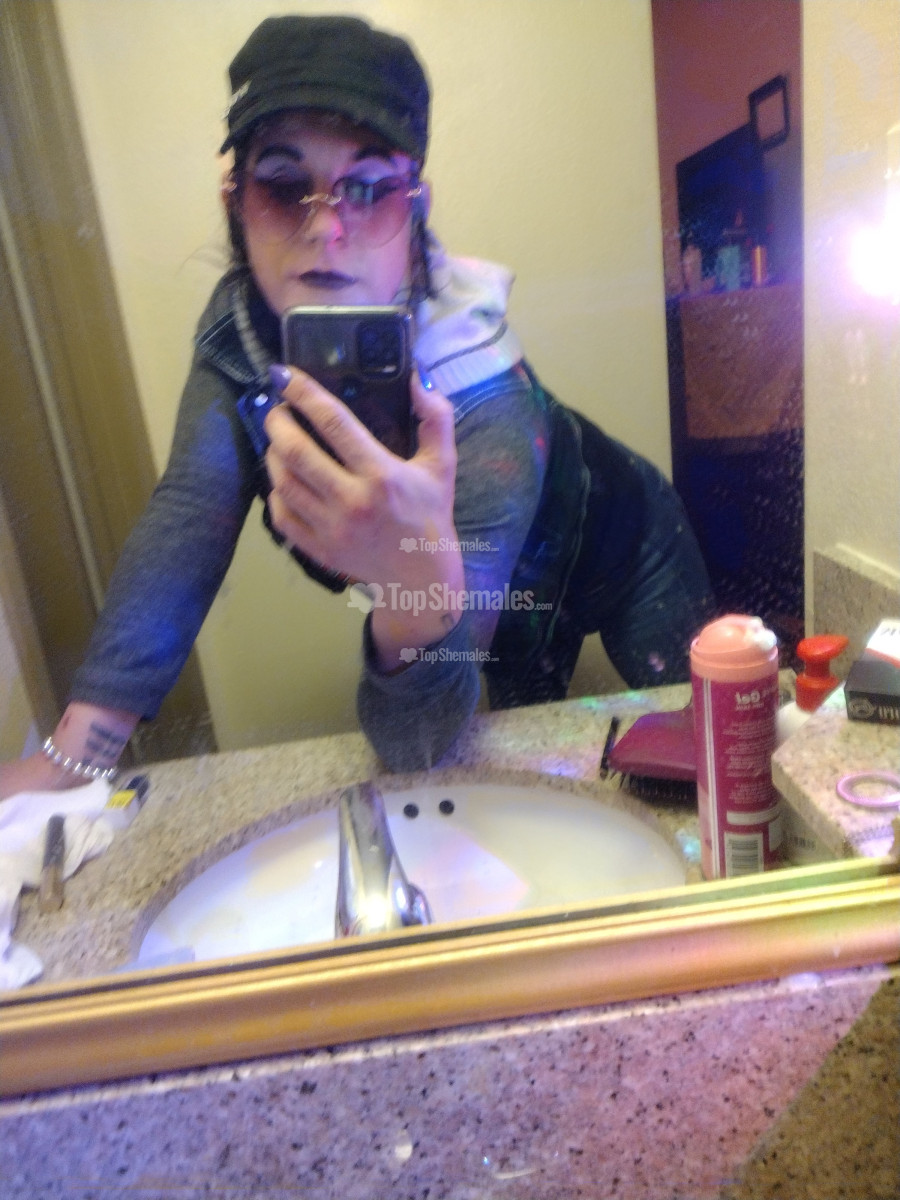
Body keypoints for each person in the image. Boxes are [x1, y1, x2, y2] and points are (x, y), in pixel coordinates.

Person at [0, 13, 714, 798]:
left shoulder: (481, 390)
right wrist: (72, 758)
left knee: (701, 759)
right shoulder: (239, 336)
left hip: (631, 548)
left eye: (370, 188)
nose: (326, 226)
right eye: (282, 186)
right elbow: (187, 520)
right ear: (235, 203)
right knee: (511, 758)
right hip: (493, 604)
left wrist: (413, 592)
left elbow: (419, 733)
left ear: (414, 207)